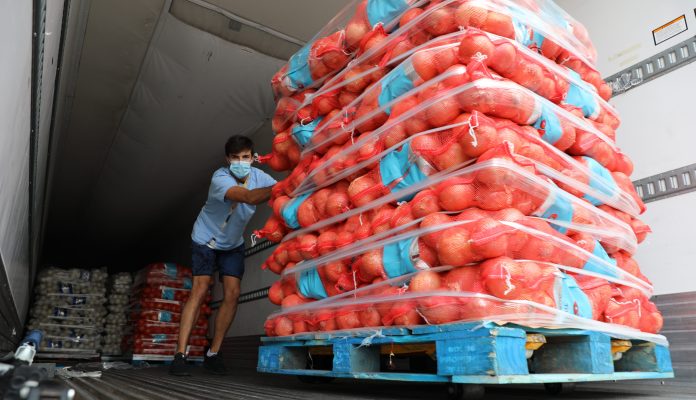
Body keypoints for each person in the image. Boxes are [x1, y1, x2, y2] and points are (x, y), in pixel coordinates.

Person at [170, 135, 276, 376]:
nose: (241, 162)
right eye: (236, 158)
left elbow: (280, 194)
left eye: (245, 157)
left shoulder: (261, 177)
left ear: (252, 157)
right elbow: (249, 197)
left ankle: (213, 354)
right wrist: (285, 185)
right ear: (228, 159)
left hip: (232, 244)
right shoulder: (220, 178)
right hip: (205, 239)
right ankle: (180, 356)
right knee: (200, 288)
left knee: (233, 294)